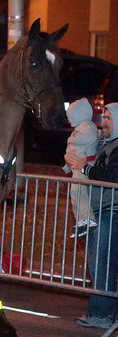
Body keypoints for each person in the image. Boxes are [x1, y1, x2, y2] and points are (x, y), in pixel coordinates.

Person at [69, 102, 118, 329]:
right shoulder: (105, 144)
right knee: (96, 262)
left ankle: (102, 314)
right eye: (104, 118)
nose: (103, 123)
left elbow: (110, 176)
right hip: (101, 211)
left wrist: (84, 167)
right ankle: (104, 311)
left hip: (111, 212)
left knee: (101, 263)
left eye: (108, 119)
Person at [64, 98, 99, 238]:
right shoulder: (79, 129)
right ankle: (81, 220)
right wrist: (67, 166)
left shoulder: (88, 127)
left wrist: (73, 140)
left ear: (79, 115)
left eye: (71, 117)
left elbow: (91, 138)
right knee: (76, 193)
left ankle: (87, 220)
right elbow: (73, 150)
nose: (69, 121)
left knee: (78, 191)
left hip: (84, 165)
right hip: (77, 166)